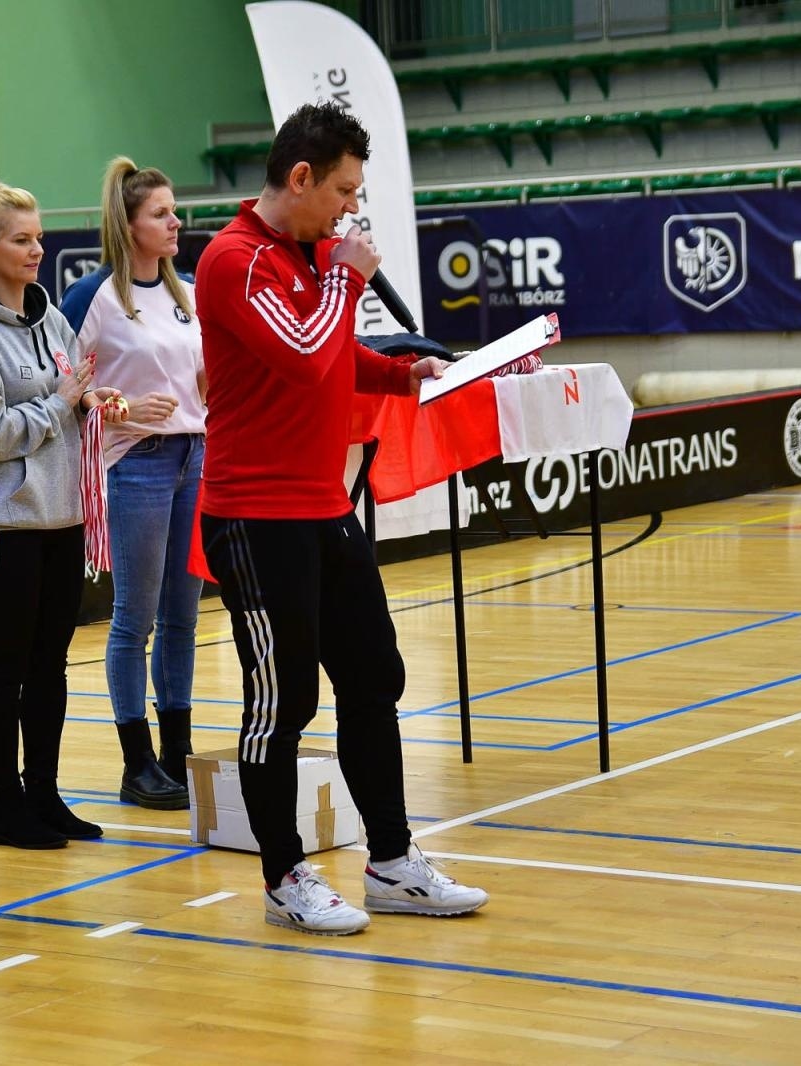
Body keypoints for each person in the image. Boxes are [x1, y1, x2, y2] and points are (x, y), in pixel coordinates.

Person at [193, 102, 490, 935]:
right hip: (254, 518)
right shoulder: (233, 260)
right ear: (300, 178)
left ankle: (392, 862)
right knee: (279, 703)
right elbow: (299, 353)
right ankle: (284, 876)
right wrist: (349, 275)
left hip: (323, 506)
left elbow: (332, 356)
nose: (350, 211)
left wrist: (405, 373)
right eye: (344, 193)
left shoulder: (307, 257)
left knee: (374, 680)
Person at [0, 179, 126, 849]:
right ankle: (4, 807)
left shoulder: (51, 318)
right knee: (7, 666)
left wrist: (90, 398)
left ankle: (44, 794)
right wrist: (59, 405)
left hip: (62, 517)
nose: (37, 249)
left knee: (51, 665)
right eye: (21, 240)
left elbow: (68, 386)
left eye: (39, 237)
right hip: (9, 523)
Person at [60, 158, 206, 810]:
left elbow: (202, 378)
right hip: (138, 467)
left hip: (192, 462)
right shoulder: (94, 297)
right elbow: (65, 387)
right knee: (135, 620)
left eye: (174, 212)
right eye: (161, 214)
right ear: (129, 225)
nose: (176, 222)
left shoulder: (187, 294)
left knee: (184, 618)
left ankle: (179, 751)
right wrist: (115, 407)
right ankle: (136, 762)